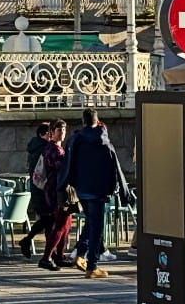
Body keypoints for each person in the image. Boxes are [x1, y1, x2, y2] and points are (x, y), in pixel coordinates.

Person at [63, 107, 126, 277]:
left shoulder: (76, 139)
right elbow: (113, 165)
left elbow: (68, 163)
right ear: (97, 121)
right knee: (97, 227)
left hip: (82, 190)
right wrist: (116, 188)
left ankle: (80, 254)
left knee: (91, 223)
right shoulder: (102, 139)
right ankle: (92, 265)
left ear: (83, 122)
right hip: (99, 191)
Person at [38, 119, 71, 271]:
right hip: (56, 191)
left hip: (59, 190)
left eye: (64, 130)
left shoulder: (58, 148)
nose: (62, 133)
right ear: (51, 132)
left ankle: (59, 255)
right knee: (61, 224)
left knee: (66, 224)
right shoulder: (53, 150)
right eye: (59, 130)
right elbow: (60, 169)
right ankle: (47, 257)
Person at [19, 122, 51, 258]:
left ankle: (49, 251)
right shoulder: (42, 149)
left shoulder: (36, 146)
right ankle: (28, 241)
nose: (52, 136)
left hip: (38, 188)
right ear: (42, 134)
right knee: (48, 219)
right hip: (42, 189)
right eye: (49, 133)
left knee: (48, 220)